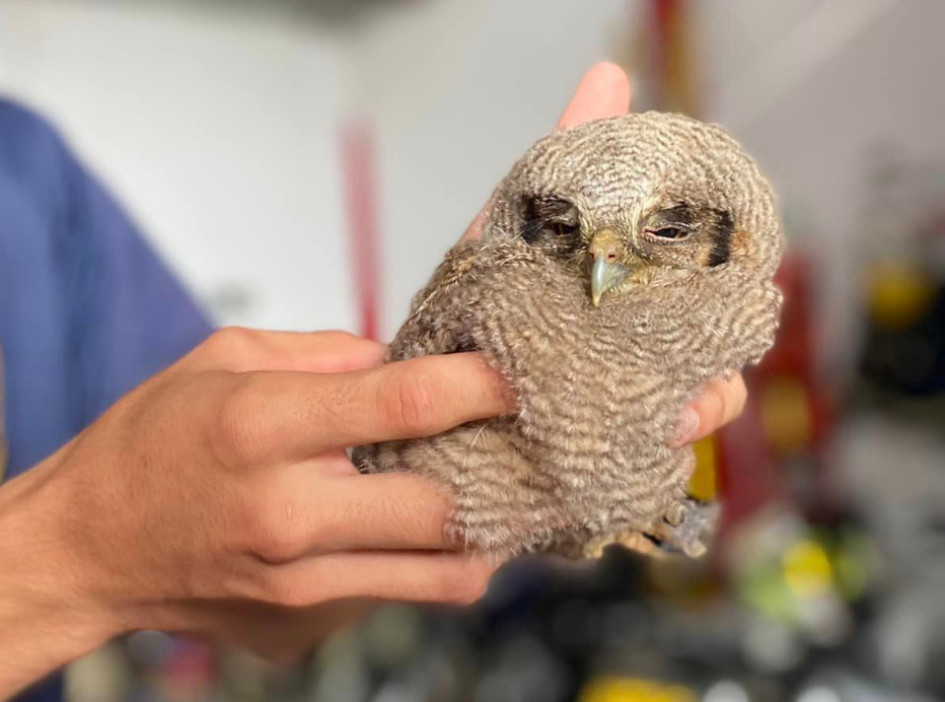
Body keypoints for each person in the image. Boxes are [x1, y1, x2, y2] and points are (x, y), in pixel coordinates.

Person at [0, 63, 747, 701]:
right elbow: (122, 528)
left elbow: (265, 560)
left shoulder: (23, 174)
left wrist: (462, 460)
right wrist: (71, 551)